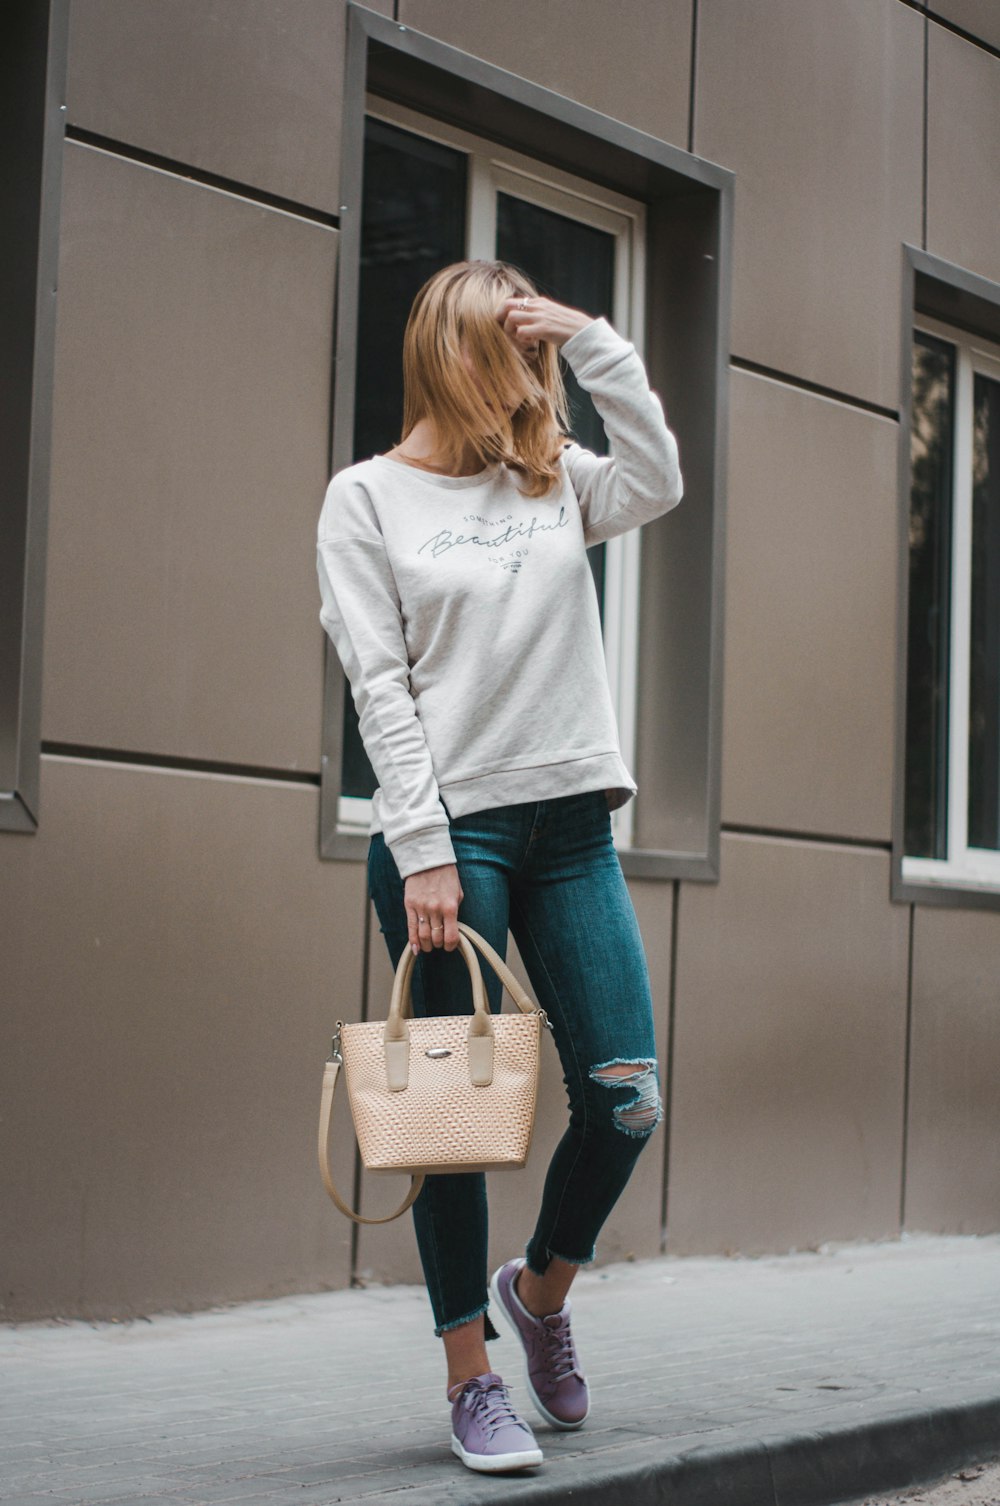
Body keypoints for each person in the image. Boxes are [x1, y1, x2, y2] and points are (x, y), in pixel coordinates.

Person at [316, 259, 684, 1475]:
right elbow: (380, 685)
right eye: (516, 350)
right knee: (453, 1122)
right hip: (451, 841)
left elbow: (659, 477)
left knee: (625, 1096)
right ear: (457, 353)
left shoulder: (554, 483)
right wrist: (420, 847)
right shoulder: (365, 499)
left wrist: (592, 341)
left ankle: (538, 1291)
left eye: (540, 355)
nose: (532, 376)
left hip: (572, 825)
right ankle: (471, 1378)